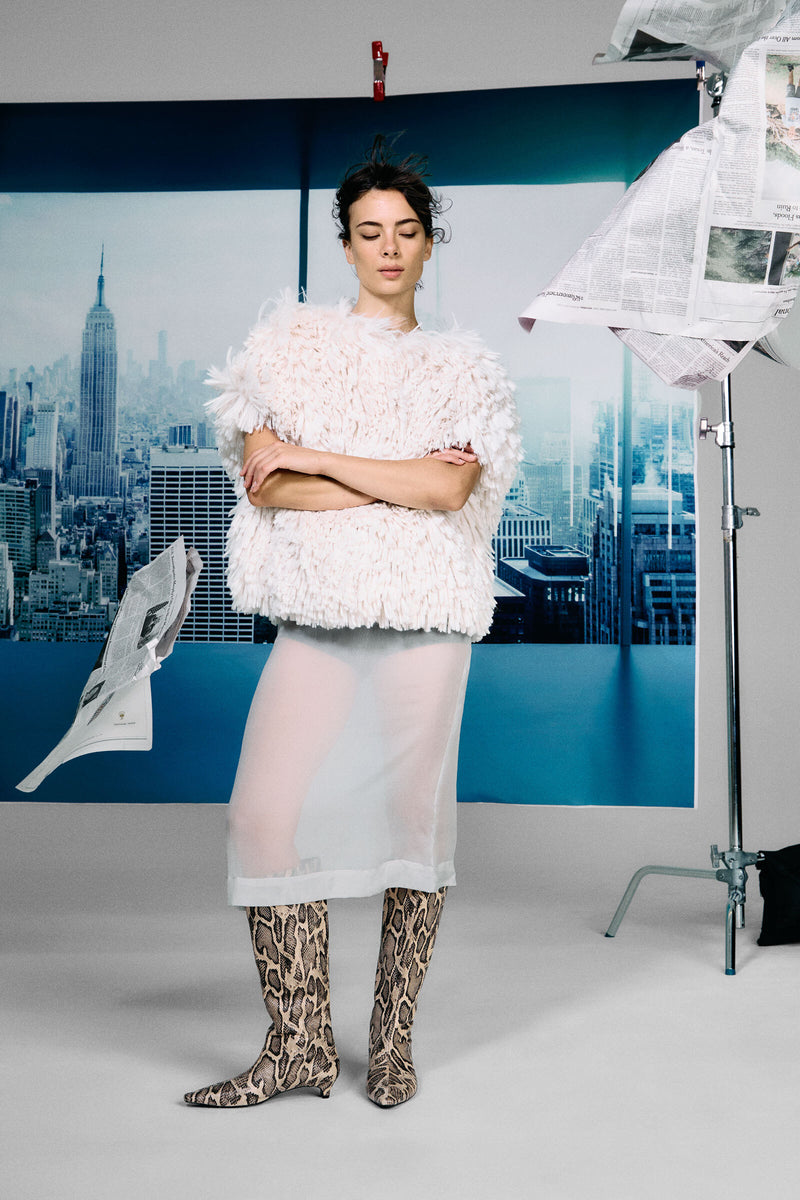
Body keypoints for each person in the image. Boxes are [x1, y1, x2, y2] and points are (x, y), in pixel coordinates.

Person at [183, 138, 521, 1110]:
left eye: (404, 231)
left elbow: (449, 486)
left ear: (427, 244)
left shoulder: (464, 367)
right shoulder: (284, 348)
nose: (386, 247)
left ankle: (391, 1042)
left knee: (412, 826)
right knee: (264, 815)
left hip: (425, 618)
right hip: (318, 618)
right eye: (368, 231)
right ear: (343, 243)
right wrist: (386, 481)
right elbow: (271, 488)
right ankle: (297, 1044)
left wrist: (322, 455)